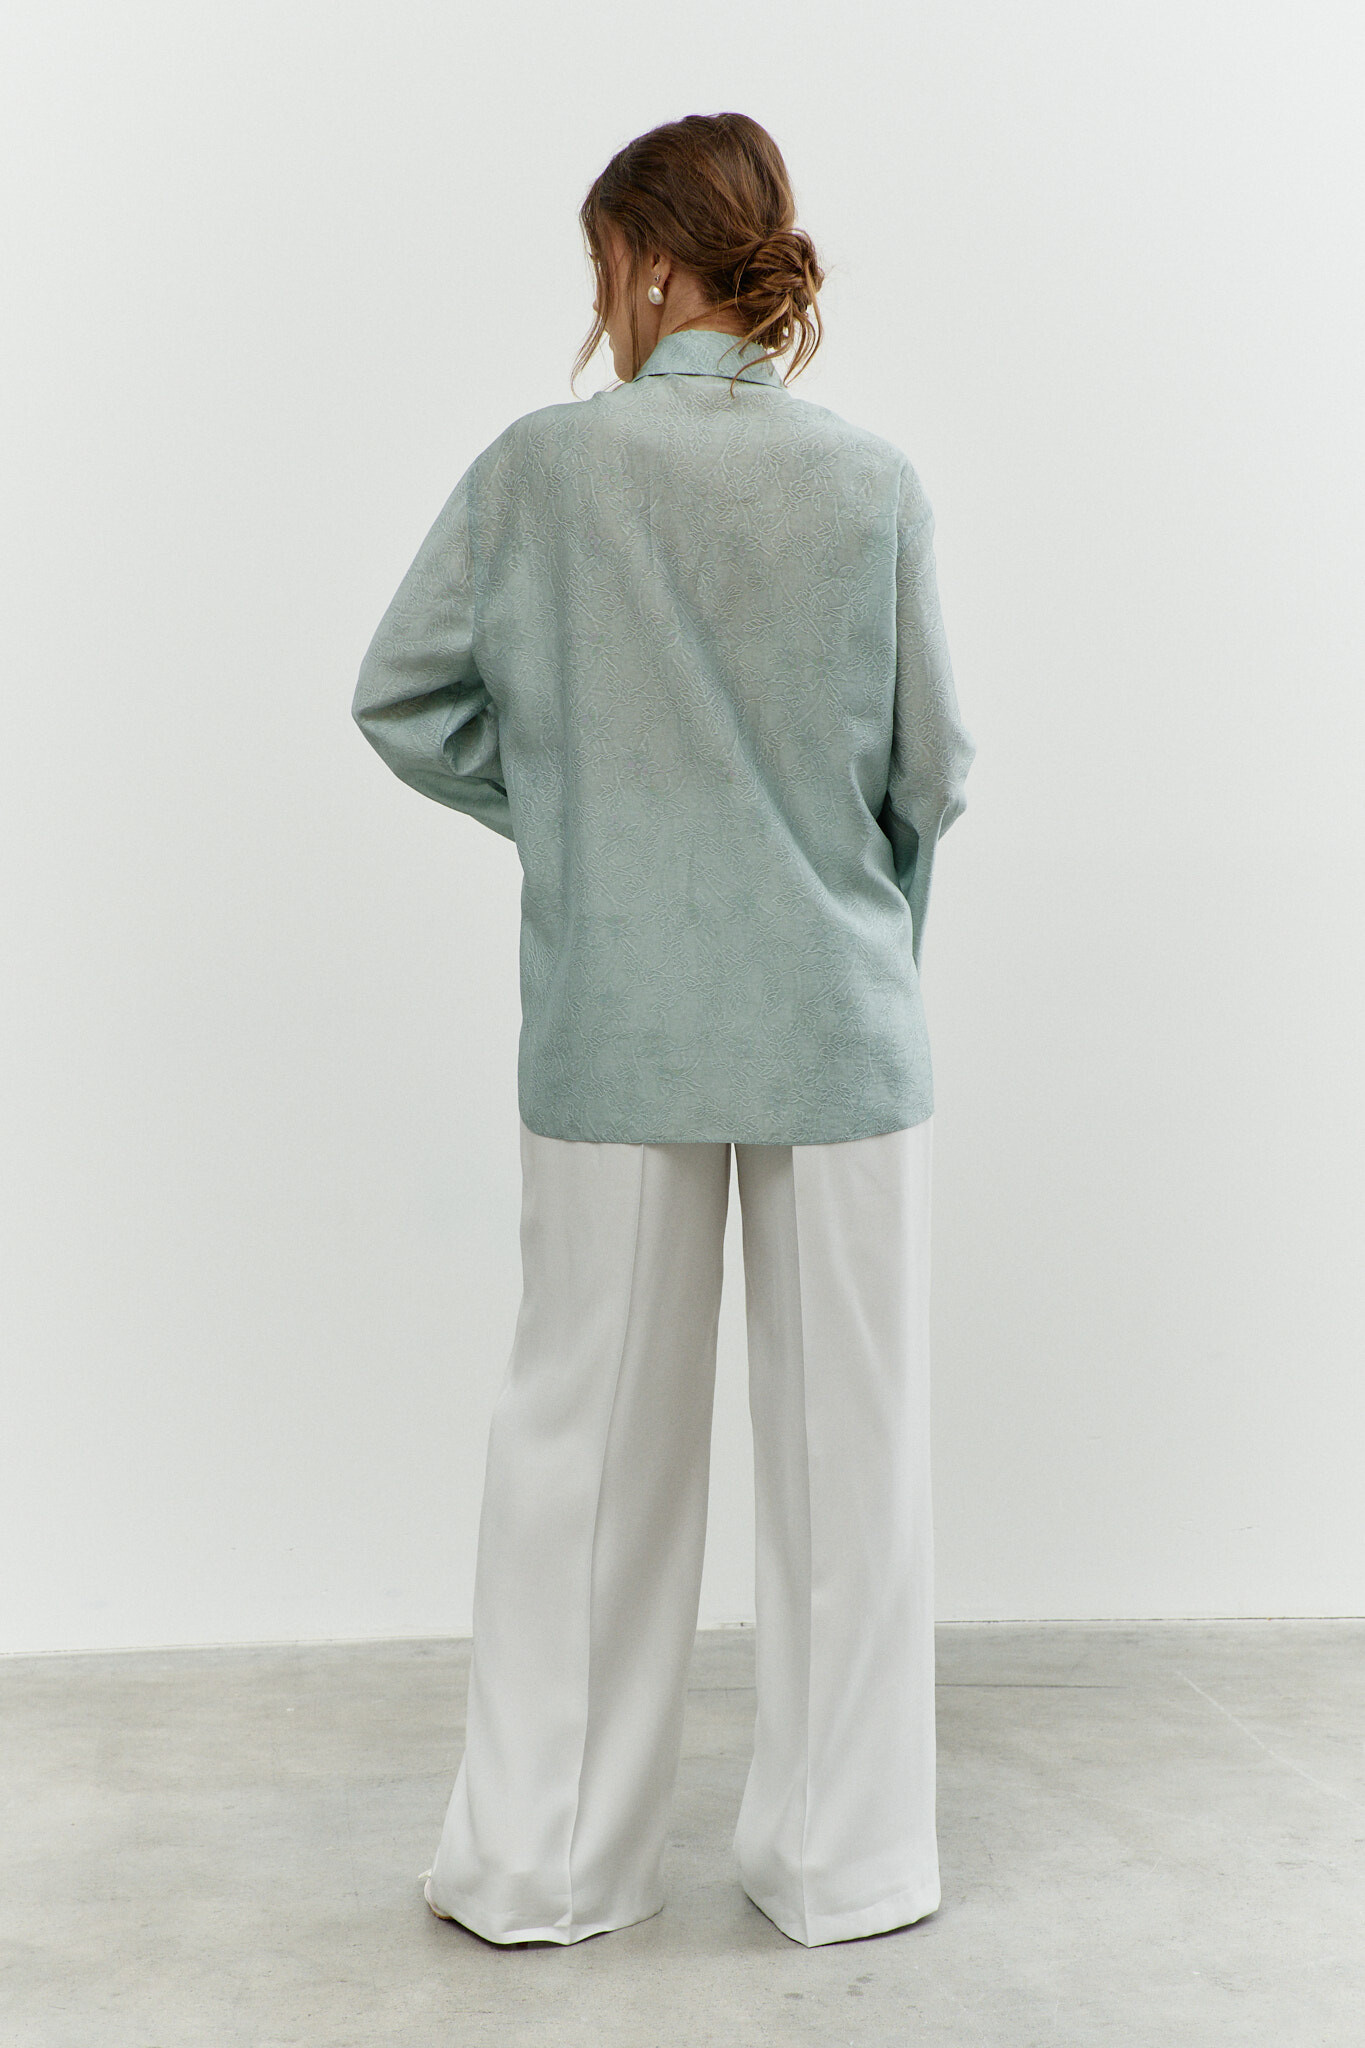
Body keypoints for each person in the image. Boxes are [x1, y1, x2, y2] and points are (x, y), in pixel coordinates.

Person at [351, 110, 976, 1950]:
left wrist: (578, 821)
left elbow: (401, 699)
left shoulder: (541, 472)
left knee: (586, 1453)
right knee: (852, 1462)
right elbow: (931, 775)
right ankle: (847, 1865)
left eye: (600, 268)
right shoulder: (869, 482)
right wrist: (854, 936)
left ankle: (544, 1866)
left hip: (615, 1021)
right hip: (839, 1028)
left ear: (639, 257)